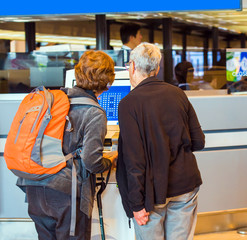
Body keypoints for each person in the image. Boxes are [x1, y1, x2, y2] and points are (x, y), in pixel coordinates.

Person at [17, 50, 118, 240]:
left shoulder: (54, 100)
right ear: (107, 82)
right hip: (65, 194)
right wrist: (109, 161)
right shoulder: (94, 112)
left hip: (35, 187)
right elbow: (91, 161)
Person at [116, 43, 205, 240]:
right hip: (185, 186)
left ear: (132, 66)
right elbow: (198, 142)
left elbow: (134, 160)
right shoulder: (178, 94)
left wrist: (136, 204)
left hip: (150, 193)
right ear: (157, 69)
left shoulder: (128, 104)